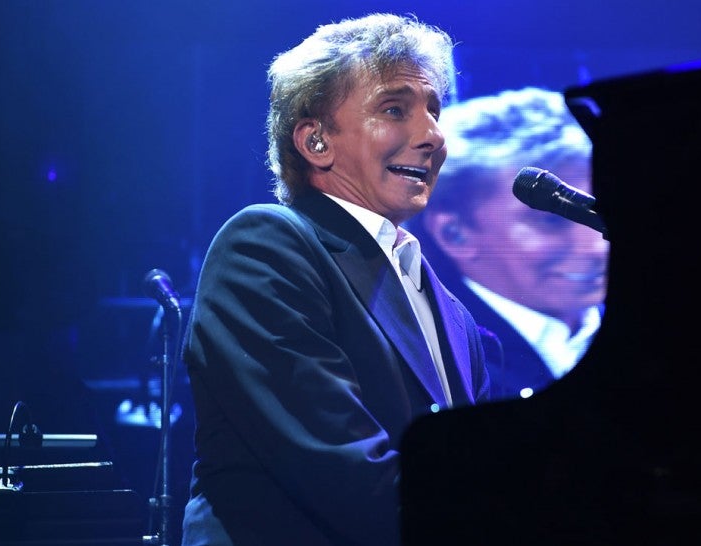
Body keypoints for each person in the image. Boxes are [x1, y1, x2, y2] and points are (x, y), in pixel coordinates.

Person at [180, 13, 490, 546]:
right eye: (395, 109)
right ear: (316, 142)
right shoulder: (266, 246)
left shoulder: (452, 313)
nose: (433, 135)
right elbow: (338, 465)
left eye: (435, 111)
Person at [408, 87, 609, 401]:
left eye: (594, 209)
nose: (599, 247)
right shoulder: (438, 365)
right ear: (455, 234)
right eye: (552, 220)